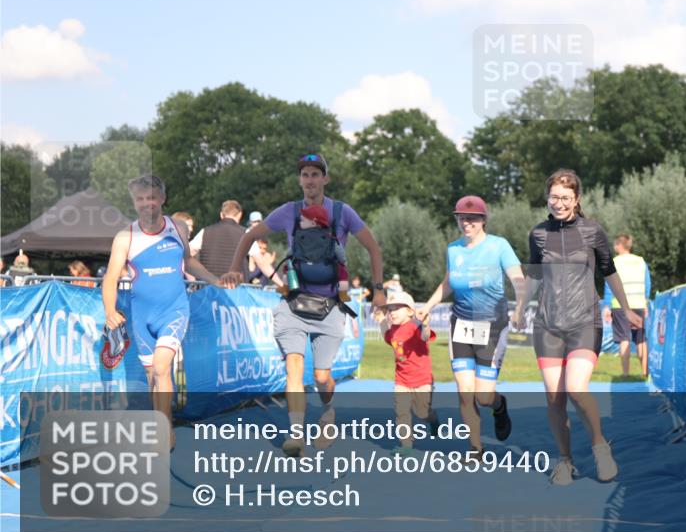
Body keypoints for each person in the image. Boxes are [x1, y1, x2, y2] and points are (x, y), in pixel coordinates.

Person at [221, 153, 386, 456]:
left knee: (322, 377)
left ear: (325, 179)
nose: (309, 180)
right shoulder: (288, 211)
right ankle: (296, 433)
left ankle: (328, 411)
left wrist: (378, 290)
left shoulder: (342, 212)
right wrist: (235, 266)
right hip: (293, 304)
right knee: (294, 368)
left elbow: (373, 248)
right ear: (299, 180)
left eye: (315, 174)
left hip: (330, 306)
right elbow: (249, 236)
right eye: (305, 175)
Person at [515, 169, 643, 485]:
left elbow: (609, 272)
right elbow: (533, 275)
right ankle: (565, 460)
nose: (559, 203)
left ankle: (600, 446)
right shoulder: (538, 234)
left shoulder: (592, 232)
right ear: (547, 197)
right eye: (554, 197)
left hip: (585, 322)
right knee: (554, 397)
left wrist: (625, 308)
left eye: (565, 198)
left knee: (576, 387)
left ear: (577, 199)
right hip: (547, 326)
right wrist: (519, 309)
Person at [102, 174, 223, 448]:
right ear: (134, 202)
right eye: (141, 199)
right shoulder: (125, 237)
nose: (148, 204)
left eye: (152, 198)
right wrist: (110, 309)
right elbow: (110, 278)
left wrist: (215, 280)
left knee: (161, 367)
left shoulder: (178, 227)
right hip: (142, 316)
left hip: (174, 310)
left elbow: (189, 262)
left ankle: (164, 426)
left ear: (163, 199)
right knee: (151, 376)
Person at [417, 195, 525, 459]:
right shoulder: (453, 249)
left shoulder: (499, 246)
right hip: (461, 325)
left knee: (483, 396)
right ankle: (475, 449)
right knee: (465, 393)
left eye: (472, 218)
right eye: (462, 218)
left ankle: (499, 406)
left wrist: (520, 306)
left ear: (483, 220)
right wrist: (428, 306)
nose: (466, 223)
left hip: (493, 326)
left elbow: (518, 278)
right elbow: (449, 282)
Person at [375, 291, 440, 456]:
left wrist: (425, 325)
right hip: (402, 380)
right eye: (390, 309)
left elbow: (425, 337)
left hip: (422, 380)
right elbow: (387, 337)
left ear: (410, 311)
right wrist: (381, 320)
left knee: (422, 412)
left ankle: (432, 419)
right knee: (401, 411)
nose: (392, 312)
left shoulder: (415, 326)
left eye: (397, 308)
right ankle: (406, 445)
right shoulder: (393, 330)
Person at [602, 235, 651, 377]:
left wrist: (606, 305)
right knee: (641, 339)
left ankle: (625, 374)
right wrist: (645, 301)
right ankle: (644, 372)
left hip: (620, 306)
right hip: (638, 304)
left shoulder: (615, 262)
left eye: (615, 245)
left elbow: (609, 285)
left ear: (619, 245)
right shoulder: (641, 262)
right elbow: (647, 284)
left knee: (624, 339)